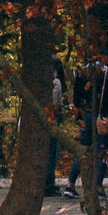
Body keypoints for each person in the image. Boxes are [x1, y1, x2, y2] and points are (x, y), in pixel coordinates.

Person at [64, 52, 108, 198]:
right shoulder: (107, 73)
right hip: (102, 116)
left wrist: (80, 116)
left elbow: (76, 98)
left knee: (83, 150)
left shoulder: (81, 73)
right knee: (101, 151)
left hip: (86, 115)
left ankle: (70, 184)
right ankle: (98, 186)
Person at [44, 56, 66, 197]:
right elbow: (56, 105)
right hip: (51, 123)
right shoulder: (56, 83)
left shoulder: (39, 82)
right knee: (52, 154)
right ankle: (48, 184)